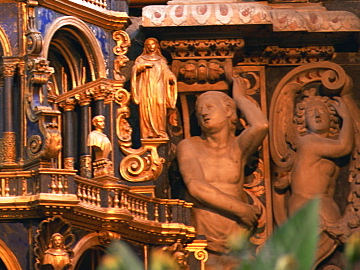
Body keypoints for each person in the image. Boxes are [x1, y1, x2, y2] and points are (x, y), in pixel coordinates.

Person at [176, 75, 268, 257]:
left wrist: (240, 98)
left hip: (237, 236)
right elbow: (196, 187)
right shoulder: (189, 146)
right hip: (202, 239)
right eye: (199, 110)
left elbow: (261, 125)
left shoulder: (237, 148)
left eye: (209, 107)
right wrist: (243, 210)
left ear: (228, 111)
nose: (203, 113)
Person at [285, 91, 354, 265]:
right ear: (303, 121)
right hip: (308, 204)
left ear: (331, 117)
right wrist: (347, 118)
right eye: (310, 112)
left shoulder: (323, 144)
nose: (316, 115)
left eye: (321, 111)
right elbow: (343, 147)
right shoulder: (309, 143)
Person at [131, 38, 178, 142]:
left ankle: (160, 131)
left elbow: (166, 71)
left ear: (156, 46)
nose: (150, 46)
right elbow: (135, 69)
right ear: (145, 47)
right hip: (146, 88)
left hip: (159, 87)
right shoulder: (141, 59)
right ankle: (148, 132)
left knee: (160, 104)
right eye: (148, 44)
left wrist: (171, 78)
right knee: (147, 108)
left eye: (152, 44)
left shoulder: (161, 60)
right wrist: (142, 67)